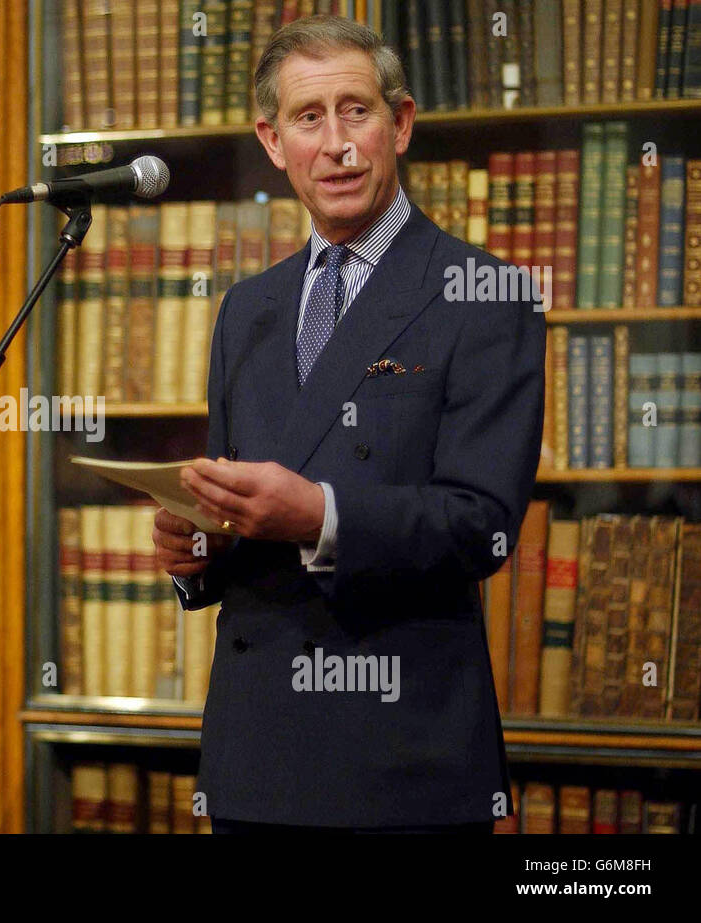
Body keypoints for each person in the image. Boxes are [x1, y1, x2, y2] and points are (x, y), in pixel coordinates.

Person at [152, 15, 546, 833]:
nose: (337, 143)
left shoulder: (482, 294)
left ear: (399, 123)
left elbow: (483, 526)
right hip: (254, 763)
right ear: (272, 140)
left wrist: (322, 516)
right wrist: (198, 547)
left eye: (356, 111)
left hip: (402, 763)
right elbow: (238, 513)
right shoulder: (246, 310)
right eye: (309, 117)